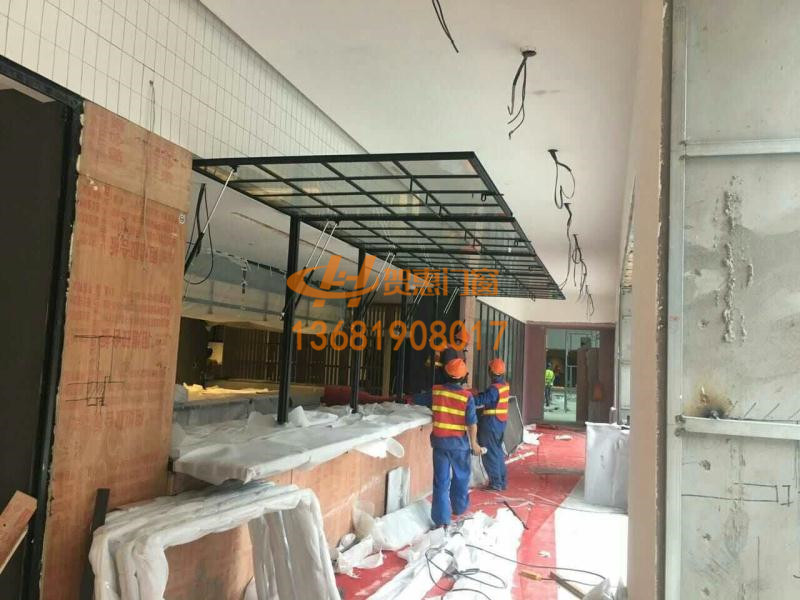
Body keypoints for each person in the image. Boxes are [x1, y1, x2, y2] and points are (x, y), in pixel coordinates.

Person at [413, 357, 484, 527]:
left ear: (445, 374)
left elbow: (418, 399)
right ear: (463, 377)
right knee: (461, 478)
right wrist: (474, 444)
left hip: (440, 444)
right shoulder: (466, 397)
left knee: (441, 482)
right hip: (459, 445)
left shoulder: (436, 391)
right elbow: (472, 424)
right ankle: (459, 508)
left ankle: (441, 520)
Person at [473, 358, 510, 491]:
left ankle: (495, 483)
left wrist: (469, 397)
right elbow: (489, 397)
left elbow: (482, 400)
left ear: (491, 372)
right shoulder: (504, 386)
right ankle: (501, 481)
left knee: (490, 454)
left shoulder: (494, 389)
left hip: (491, 424)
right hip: (500, 424)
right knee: (498, 452)